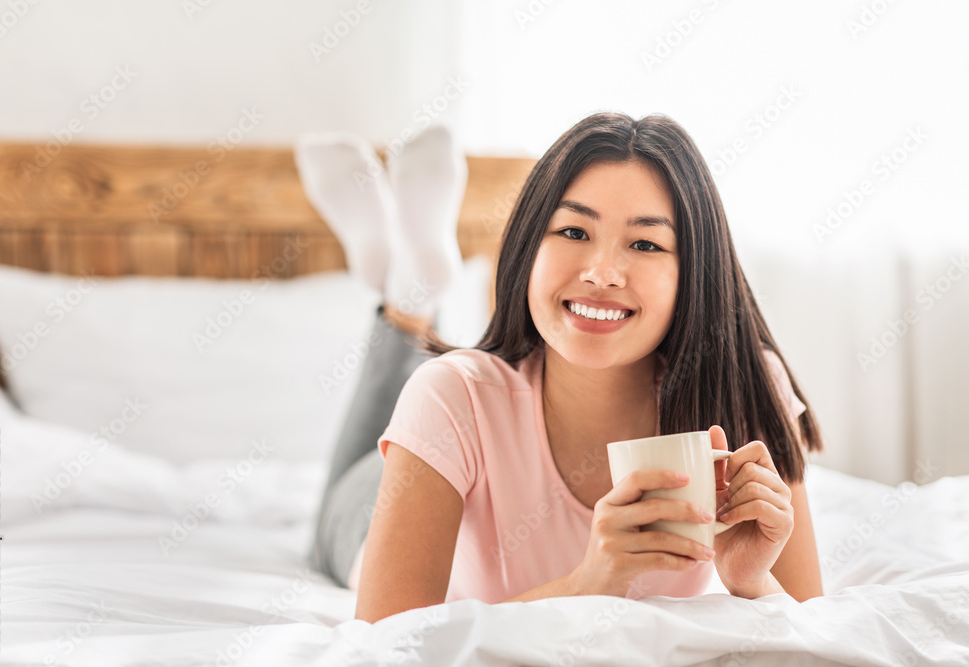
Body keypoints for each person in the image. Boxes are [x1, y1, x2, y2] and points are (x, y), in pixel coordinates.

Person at [300, 112, 826, 626]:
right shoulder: (450, 396)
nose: (601, 274)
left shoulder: (744, 387)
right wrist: (587, 584)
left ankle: (408, 282)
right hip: (366, 511)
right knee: (343, 492)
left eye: (645, 243)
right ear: (530, 246)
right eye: (574, 231)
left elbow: (814, 631)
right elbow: (388, 644)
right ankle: (408, 307)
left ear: (693, 273)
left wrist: (753, 583)